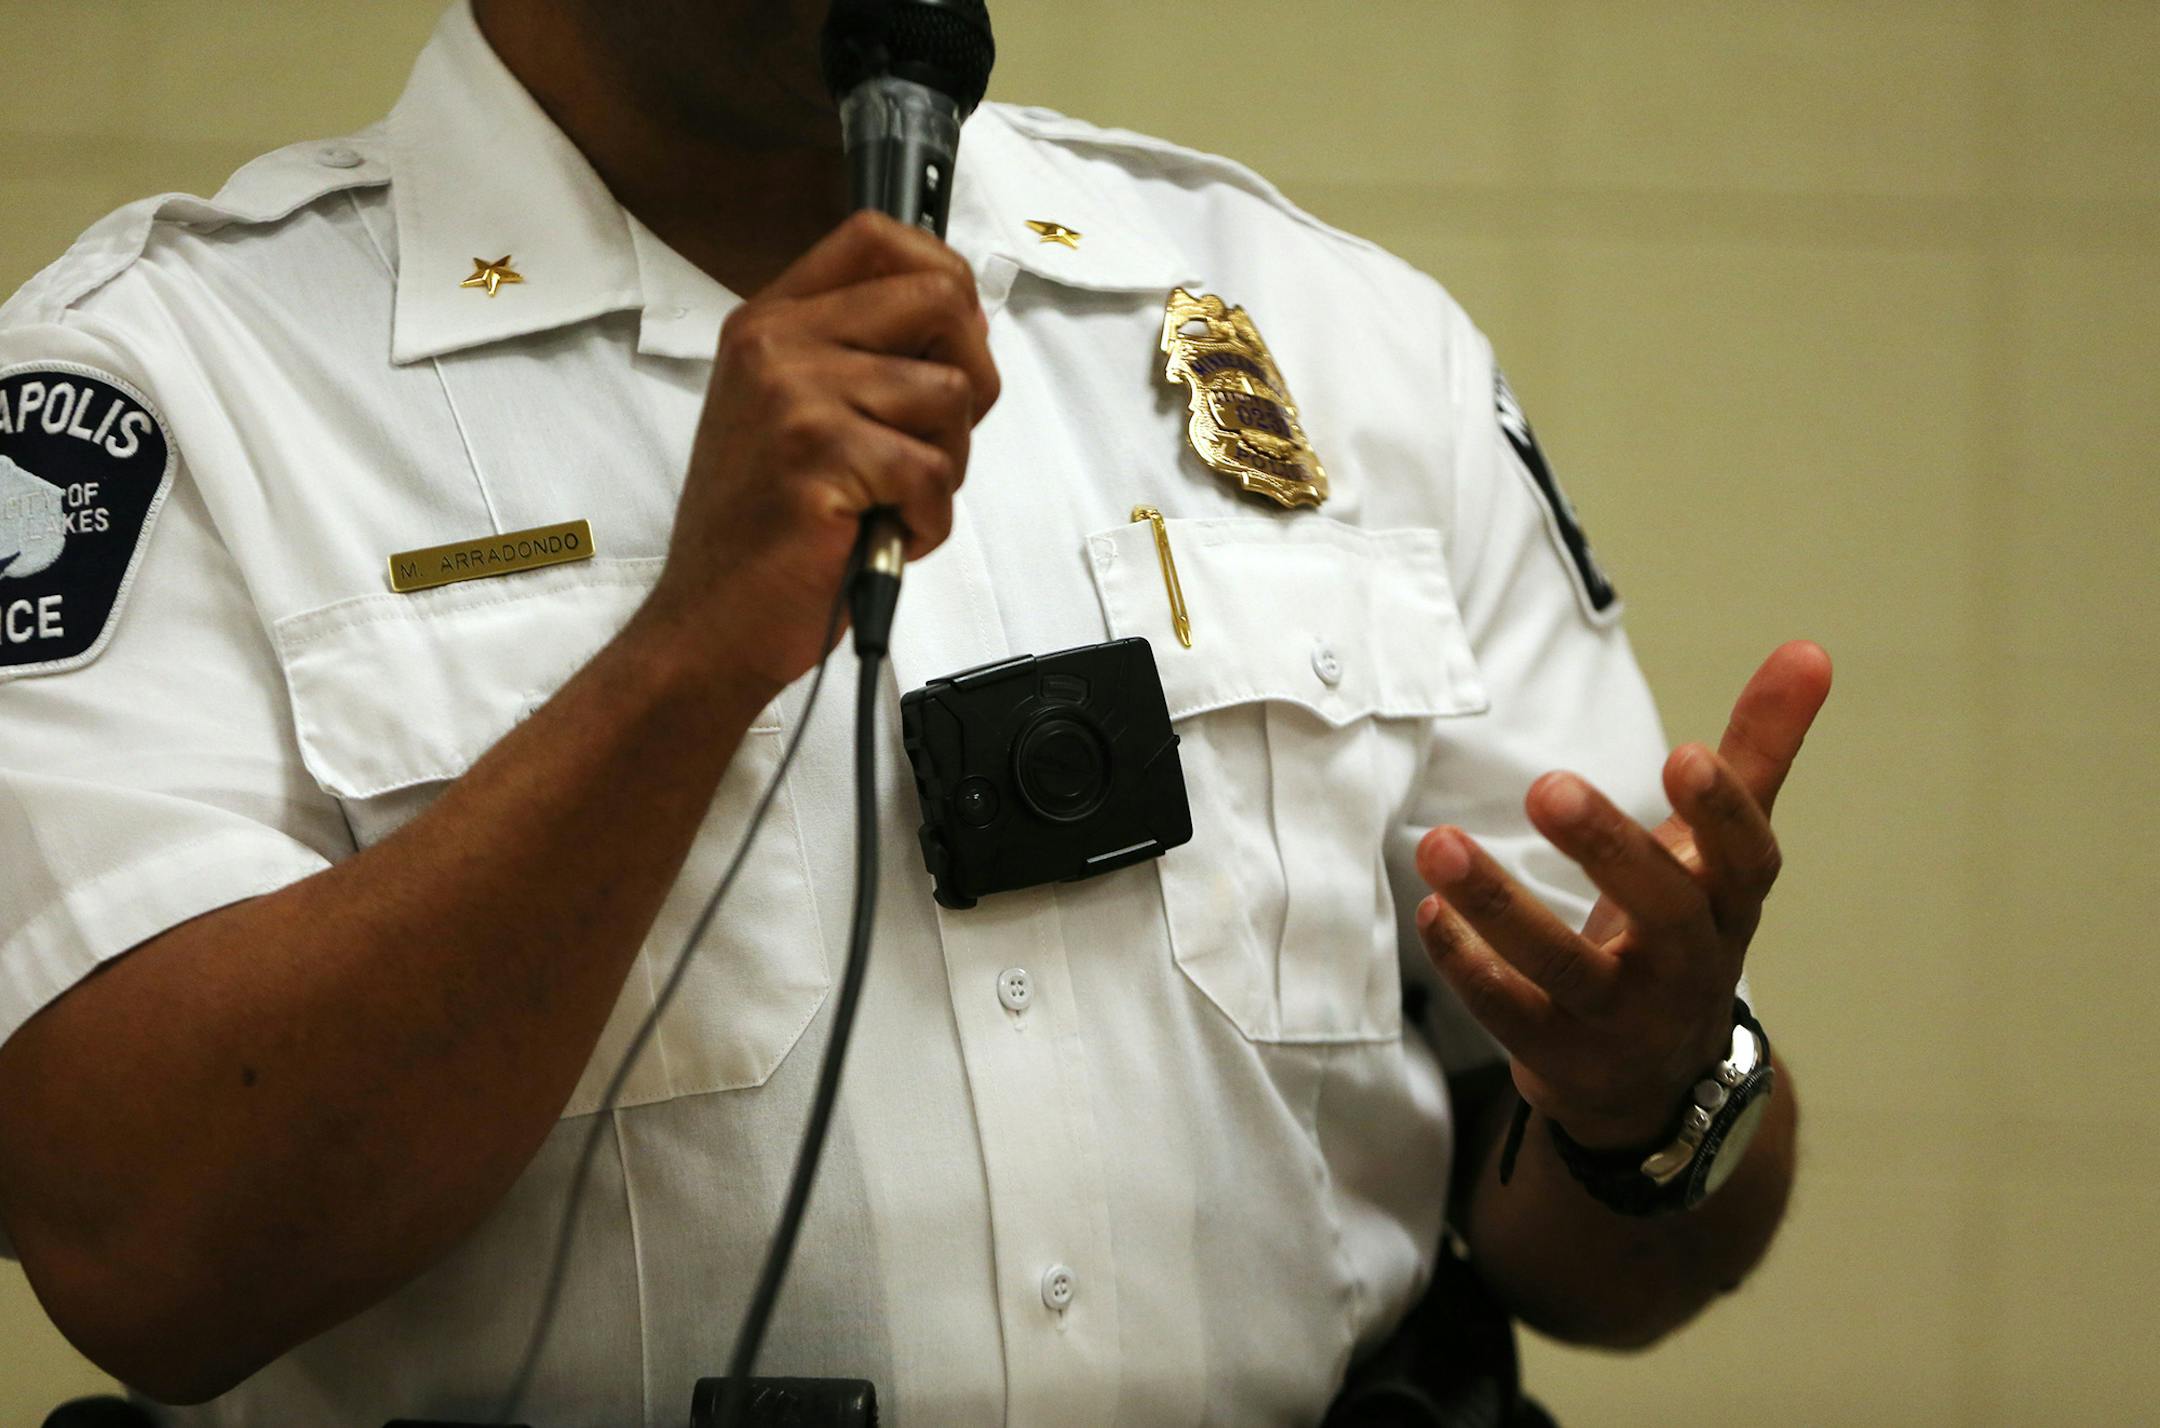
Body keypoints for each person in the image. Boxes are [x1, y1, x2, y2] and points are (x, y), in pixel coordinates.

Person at [0, 1, 1831, 1424]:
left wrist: (1661, 1097)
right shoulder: (166, 387)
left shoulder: (1329, 336)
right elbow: (141, 1249)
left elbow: (1637, 1256)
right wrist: (687, 653)